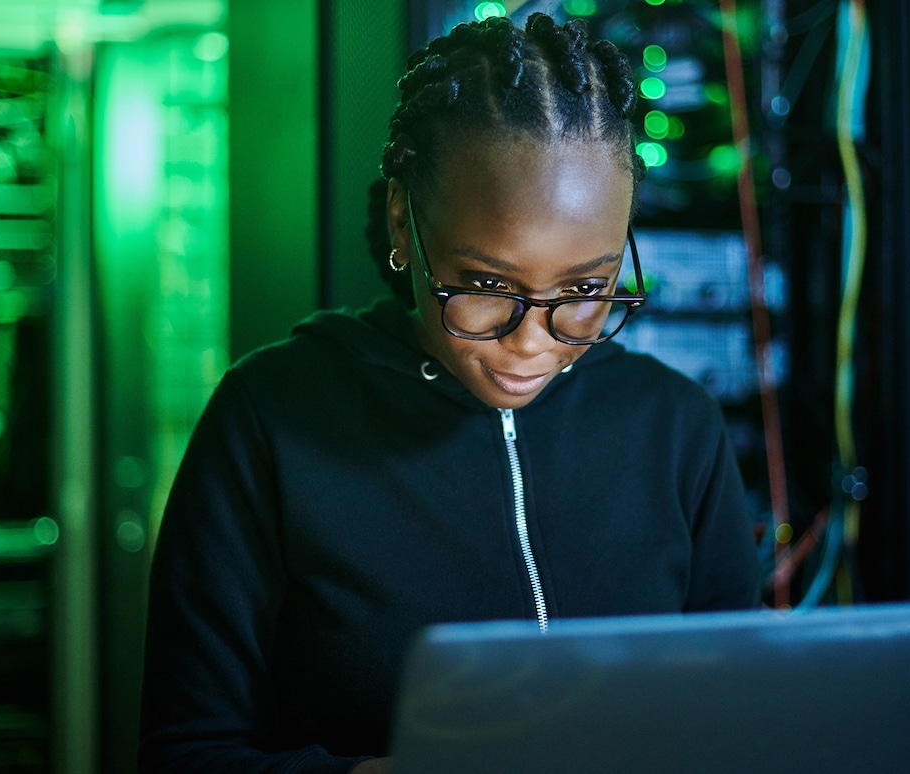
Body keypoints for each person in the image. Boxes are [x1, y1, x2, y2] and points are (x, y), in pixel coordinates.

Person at [140, 13, 758, 773]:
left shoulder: (674, 427)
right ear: (404, 221)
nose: (532, 341)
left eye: (586, 288)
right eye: (487, 286)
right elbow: (188, 752)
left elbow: (740, 714)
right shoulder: (271, 418)